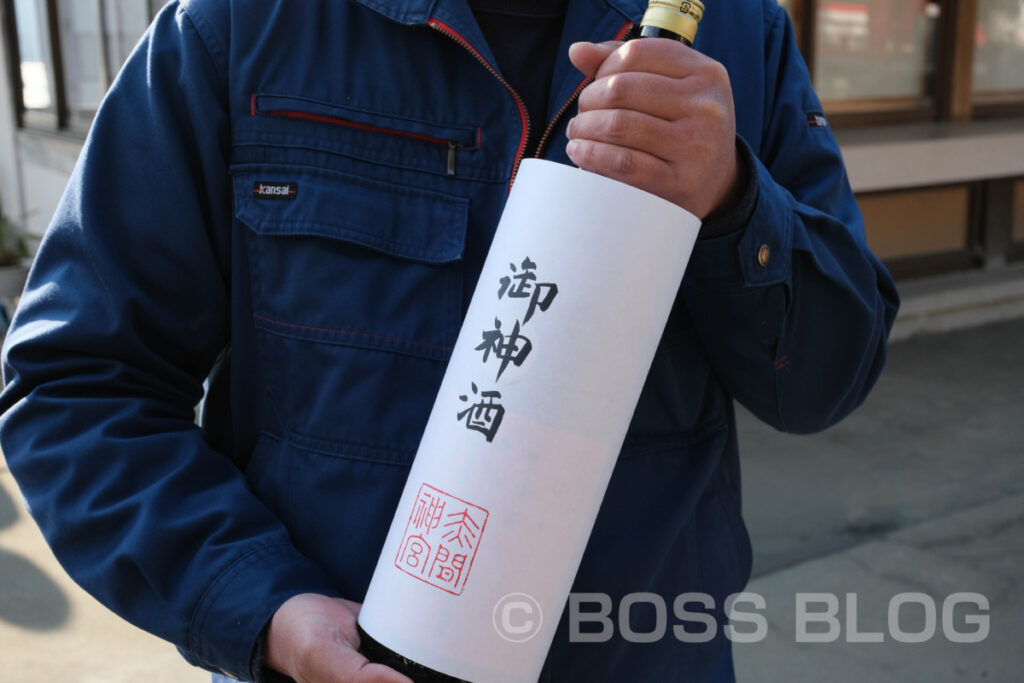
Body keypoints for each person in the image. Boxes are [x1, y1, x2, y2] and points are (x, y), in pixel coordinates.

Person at [0, 0, 899, 681]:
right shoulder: (240, 27)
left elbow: (826, 376)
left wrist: (735, 200)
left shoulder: (734, 33)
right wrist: (258, 603)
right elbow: (75, 386)